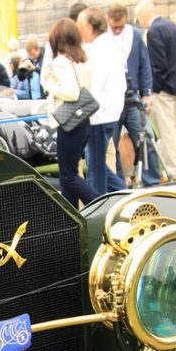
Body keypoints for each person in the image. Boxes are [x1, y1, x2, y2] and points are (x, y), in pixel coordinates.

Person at [42, 18, 98, 209]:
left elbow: (72, 93)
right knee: (68, 175)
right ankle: (71, 215)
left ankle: (99, 203)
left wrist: (49, 84)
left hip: (69, 123)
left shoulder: (61, 62)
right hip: (83, 122)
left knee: (68, 175)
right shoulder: (82, 59)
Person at [107, 4, 159, 186]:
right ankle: (119, 183)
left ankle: (152, 180)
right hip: (111, 100)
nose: (117, 30)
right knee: (112, 145)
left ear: (126, 19)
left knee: (146, 138)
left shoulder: (135, 35)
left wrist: (147, 94)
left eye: (120, 26)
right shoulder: (103, 38)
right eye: (114, 27)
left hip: (133, 97)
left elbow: (145, 65)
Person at [77, 7, 126, 195]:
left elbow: (93, 85)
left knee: (96, 171)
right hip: (107, 112)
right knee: (97, 165)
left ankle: (99, 204)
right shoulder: (108, 46)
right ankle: (125, 196)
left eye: (81, 26)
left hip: (99, 115)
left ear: (90, 27)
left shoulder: (99, 50)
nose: (79, 30)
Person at [137, 2, 176, 182]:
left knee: (167, 131)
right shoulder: (172, 26)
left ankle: (172, 170)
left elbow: (157, 64)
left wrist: (152, 90)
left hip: (163, 87)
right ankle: (172, 167)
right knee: (175, 129)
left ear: (143, 16)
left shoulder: (153, 31)